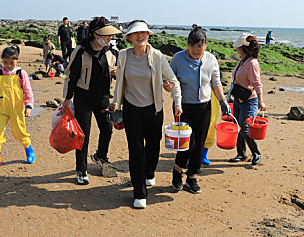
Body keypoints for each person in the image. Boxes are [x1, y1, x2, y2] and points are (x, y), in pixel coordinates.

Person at [110, 20, 182, 209]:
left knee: (152, 146)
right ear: (129, 38)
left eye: (144, 33)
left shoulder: (157, 57)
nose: (141, 36)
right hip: (132, 109)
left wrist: (176, 100)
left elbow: (173, 80)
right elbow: (119, 82)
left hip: (153, 110)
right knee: (135, 150)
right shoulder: (124, 56)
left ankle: (149, 172)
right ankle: (140, 192)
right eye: (136, 33)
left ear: (148, 35)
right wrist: (116, 101)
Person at [169, 27, 232, 193]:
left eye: (200, 46)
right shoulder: (177, 59)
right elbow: (169, 80)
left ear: (205, 45)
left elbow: (216, 83)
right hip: (182, 107)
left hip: (204, 107)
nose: (196, 50)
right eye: (193, 46)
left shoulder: (211, 60)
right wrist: (167, 86)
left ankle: (191, 176)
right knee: (187, 143)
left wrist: (223, 101)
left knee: (200, 142)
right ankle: (177, 170)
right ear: (188, 44)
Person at [62, 17, 121, 185]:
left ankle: (100, 156)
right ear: (96, 35)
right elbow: (71, 76)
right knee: (83, 135)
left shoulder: (112, 52)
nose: (109, 38)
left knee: (107, 130)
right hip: (83, 97)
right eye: (107, 35)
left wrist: (117, 73)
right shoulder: (80, 50)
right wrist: (67, 98)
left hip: (103, 97)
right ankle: (81, 170)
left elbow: (121, 75)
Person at [0, 46, 35, 176]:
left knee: (19, 132)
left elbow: (27, 91)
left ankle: (29, 148)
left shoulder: (21, 74)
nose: (8, 65)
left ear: (17, 60)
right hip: (0, 110)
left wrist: (29, 106)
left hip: (16, 109)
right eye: (5, 62)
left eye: (11, 63)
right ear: (2, 61)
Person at [228, 34, 267, 165]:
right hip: (239, 99)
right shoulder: (242, 60)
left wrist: (261, 101)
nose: (236, 50)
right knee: (238, 126)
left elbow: (257, 83)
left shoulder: (252, 63)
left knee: (245, 128)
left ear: (243, 48)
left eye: (238, 47)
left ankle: (256, 153)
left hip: (249, 101)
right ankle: (241, 154)